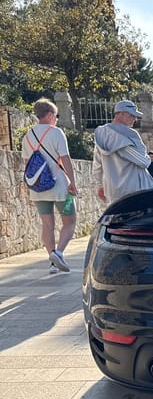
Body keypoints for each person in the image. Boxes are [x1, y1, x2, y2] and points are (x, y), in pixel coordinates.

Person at [22, 98, 78, 274]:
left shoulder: (28, 135)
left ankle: (52, 263)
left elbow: (27, 162)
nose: (56, 118)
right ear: (48, 115)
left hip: (38, 187)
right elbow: (65, 159)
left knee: (47, 224)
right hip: (60, 185)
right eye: (55, 115)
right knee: (70, 221)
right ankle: (59, 253)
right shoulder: (56, 133)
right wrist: (73, 182)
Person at [92, 100, 153, 205]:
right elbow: (143, 162)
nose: (135, 119)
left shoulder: (101, 134)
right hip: (135, 192)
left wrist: (99, 185)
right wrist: (149, 158)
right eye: (132, 115)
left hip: (113, 193)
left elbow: (97, 165)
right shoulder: (130, 134)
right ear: (122, 114)